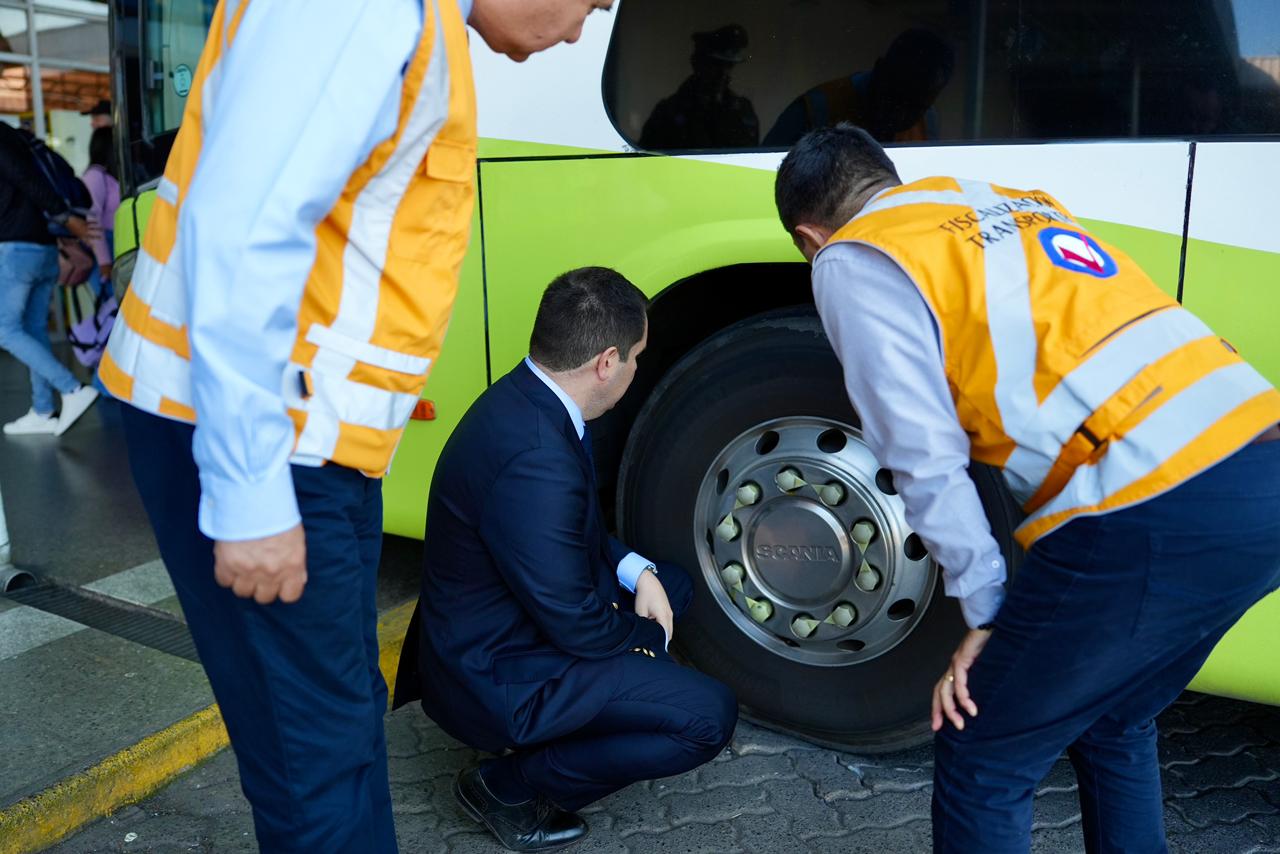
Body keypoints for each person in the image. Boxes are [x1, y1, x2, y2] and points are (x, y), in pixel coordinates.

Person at [98, 1, 616, 852]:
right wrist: (252, 494)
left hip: (306, 444)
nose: (578, 31)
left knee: (337, 734)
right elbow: (245, 232)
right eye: (592, 3)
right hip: (272, 440)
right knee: (316, 760)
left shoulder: (418, 20)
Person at [773, 123, 1280, 853]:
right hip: (1259, 462)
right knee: (1113, 718)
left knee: (983, 753)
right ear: (887, 178)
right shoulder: (1007, 201)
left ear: (809, 237)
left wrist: (987, 611)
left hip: (1147, 499)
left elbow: (922, 454)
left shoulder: (854, 257)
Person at [393, 268, 737, 852]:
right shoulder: (536, 458)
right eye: (636, 357)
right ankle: (506, 785)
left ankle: (596, 709)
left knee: (672, 585)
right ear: (607, 362)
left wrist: (638, 571)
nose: (637, 367)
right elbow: (574, 619)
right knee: (708, 716)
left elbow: (568, 531)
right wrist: (645, 640)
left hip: (507, 621)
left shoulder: (528, 399)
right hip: (500, 670)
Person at [0, 121, 100, 437]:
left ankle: (71, 388)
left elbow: (25, 179)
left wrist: (65, 218)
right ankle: (43, 411)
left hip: (15, 248)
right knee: (33, 329)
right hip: (42, 247)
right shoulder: (17, 137)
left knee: (5, 329)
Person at [763, 29, 955, 147]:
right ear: (879, 69)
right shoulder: (815, 109)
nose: (900, 114)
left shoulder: (927, 121)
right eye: (894, 97)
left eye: (915, 107)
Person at [639, 24, 759, 150]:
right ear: (697, 64)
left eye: (729, 66)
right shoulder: (668, 113)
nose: (723, 74)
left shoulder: (743, 111)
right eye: (716, 65)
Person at [82, 126, 120, 293]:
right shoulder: (95, 176)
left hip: (117, 244)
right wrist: (104, 262)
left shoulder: (112, 174)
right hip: (105, 247)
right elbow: (92, 220)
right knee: (112, 302)